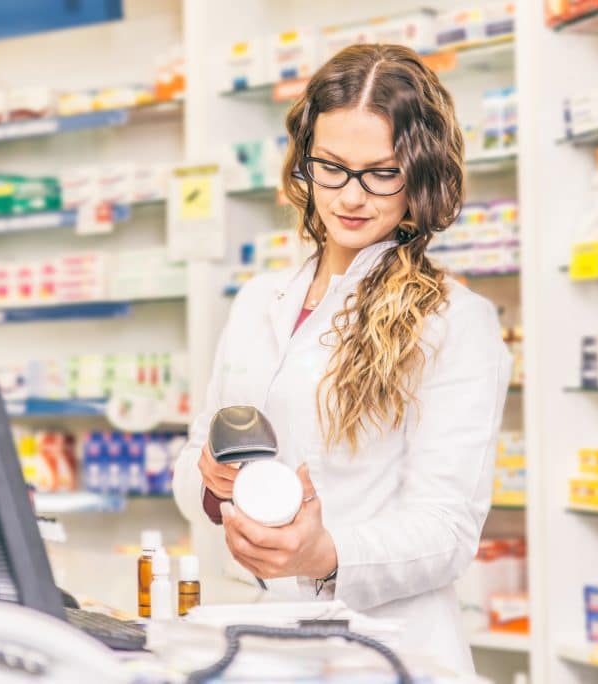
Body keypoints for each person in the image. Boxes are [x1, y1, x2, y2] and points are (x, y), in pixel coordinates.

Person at [172, 43, 511, 675]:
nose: (351, 196)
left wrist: (325, 553)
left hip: (386, 654)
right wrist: (215, 487)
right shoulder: (256, 302)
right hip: (257, 642)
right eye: (331, 167)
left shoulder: (455, 323)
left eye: (382, 173)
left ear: (423, 174)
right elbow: (191, 464)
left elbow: (446, 530)